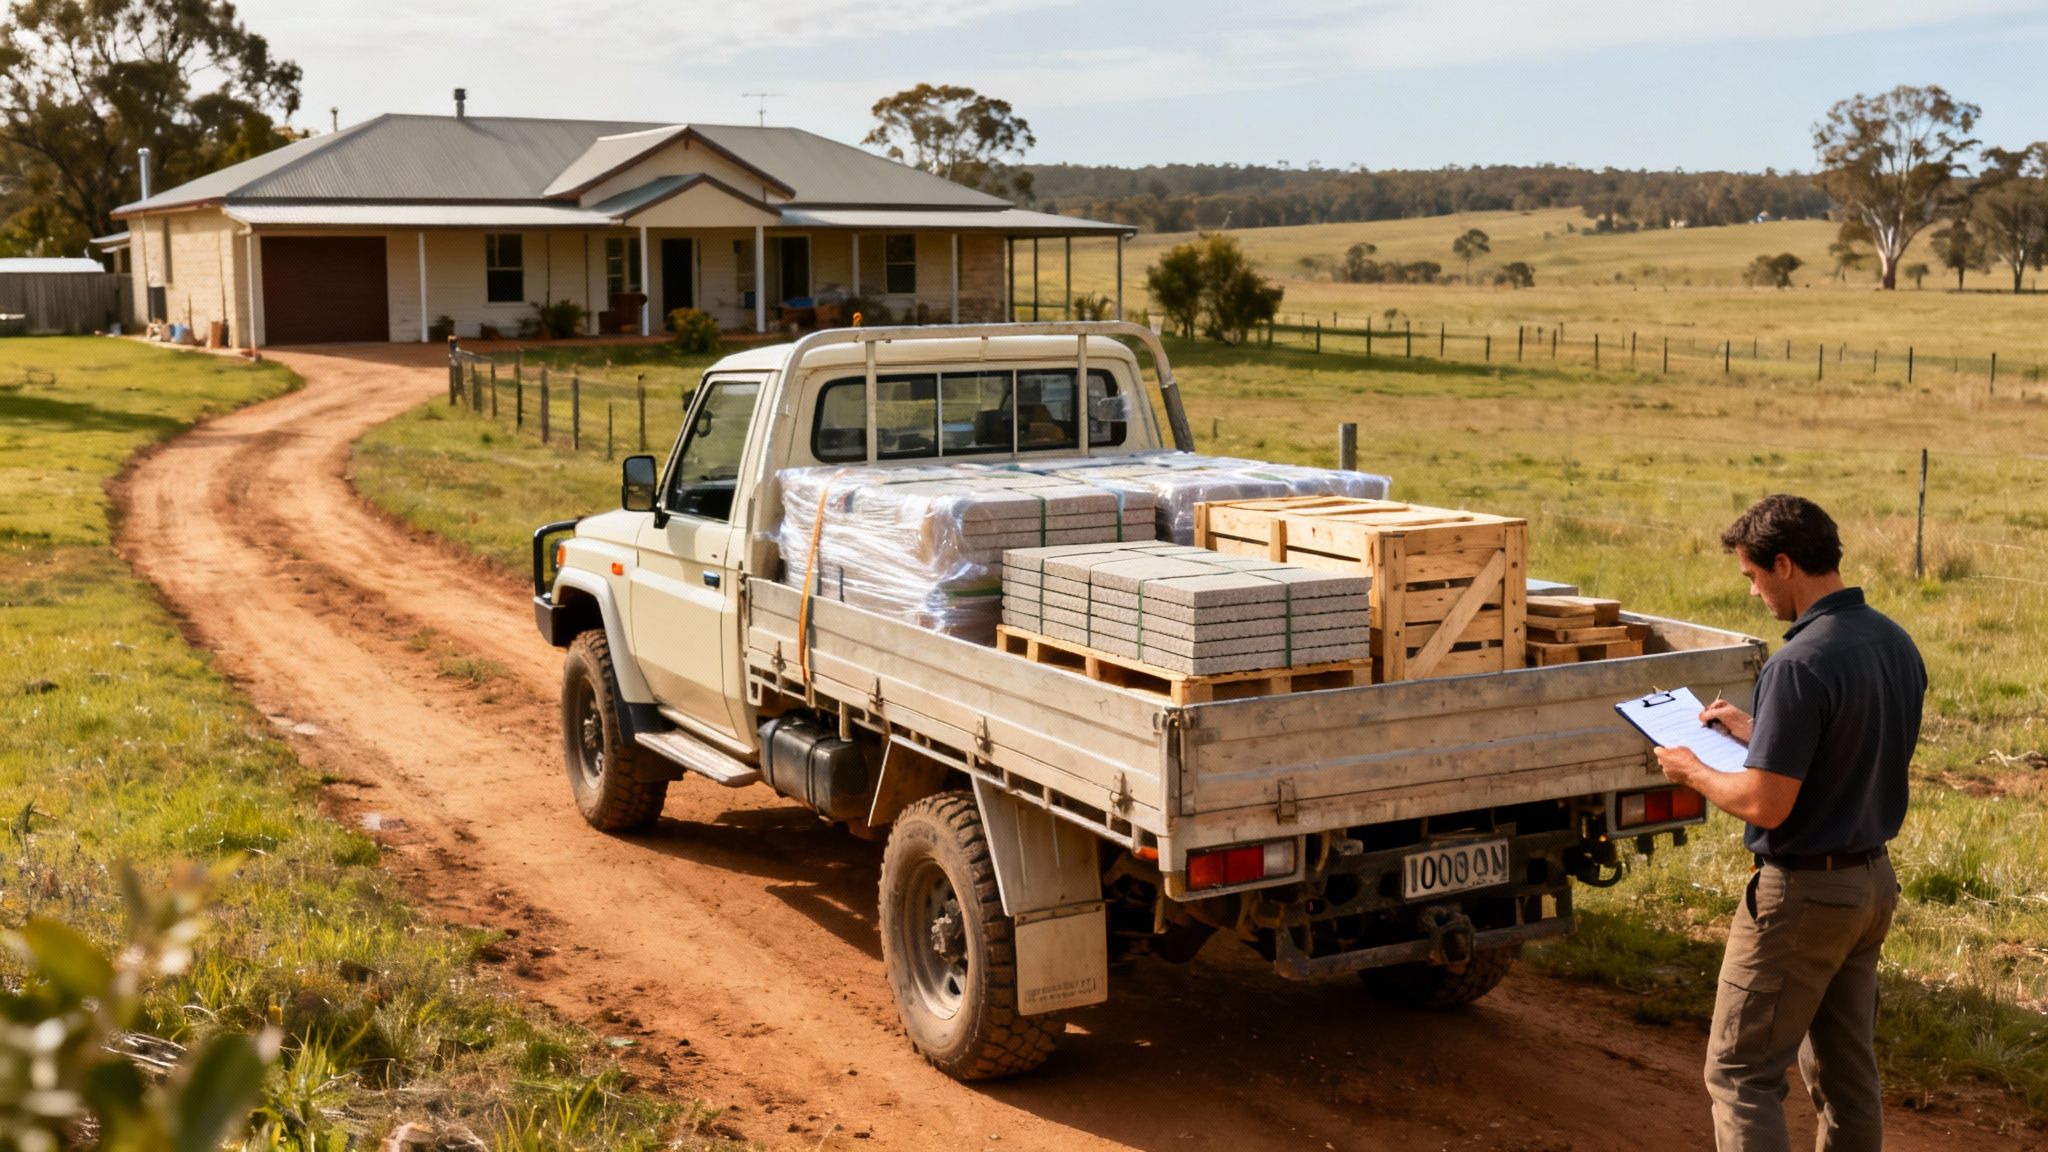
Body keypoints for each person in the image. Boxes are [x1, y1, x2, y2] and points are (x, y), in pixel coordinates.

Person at [1654, 494, 1925, 1152]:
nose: (1753, 592)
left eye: (1752, 576)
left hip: (1803, 898)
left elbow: (1764, 805)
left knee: (1741, 1073)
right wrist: (1761, 734)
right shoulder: (1891, 641)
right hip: (1870, 886)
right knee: (1846, 1074)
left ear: (1784, 563)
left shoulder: (1799, 663)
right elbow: (1849, 746)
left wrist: (1692, 769)